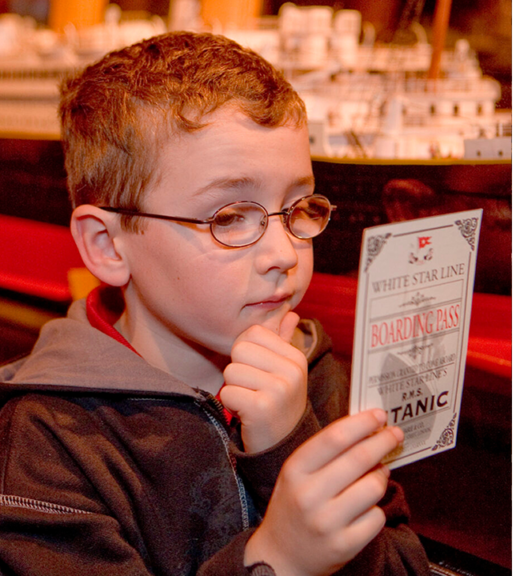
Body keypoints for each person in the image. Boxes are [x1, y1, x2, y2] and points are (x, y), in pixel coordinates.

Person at [0, 32, 430, 576]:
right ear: (108, 247)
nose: (283, 253)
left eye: (299, 207)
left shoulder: (319, 377)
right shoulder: (50, 441)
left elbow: (405, 564)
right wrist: (277, 561)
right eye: (229, 218)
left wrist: (289, 443)